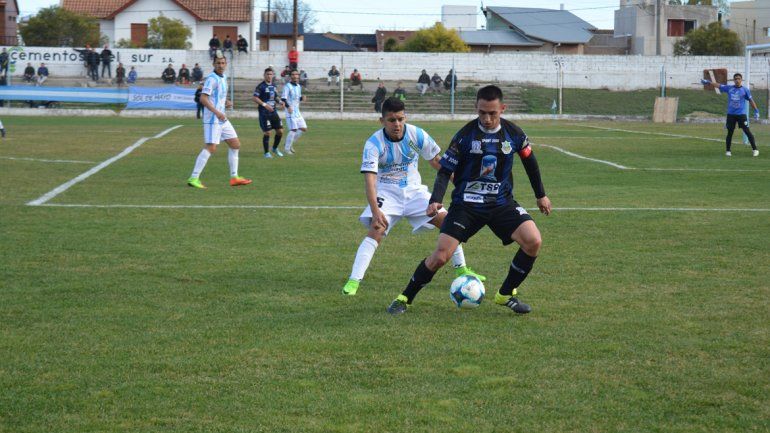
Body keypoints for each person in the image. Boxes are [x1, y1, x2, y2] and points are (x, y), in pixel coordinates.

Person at [386, 85, 552, 316]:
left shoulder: (514, 134)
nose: (486, 118)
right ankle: (404, 298)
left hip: (501, 203)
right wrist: (435, 199)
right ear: (476, 108)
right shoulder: (465, 136)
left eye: (492, 113)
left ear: (502, 109)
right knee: (441, 256)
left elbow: (530, 162)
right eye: (482, 112)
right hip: (467, 205)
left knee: (533, 241)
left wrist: (540, 194)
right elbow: (444, 171)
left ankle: (506, 294)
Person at [342, 97, 486, 296]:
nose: (397, 124)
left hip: (415, 193)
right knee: (377, 228)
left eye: (400, 119)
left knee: (448, 223)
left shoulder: (416, 135)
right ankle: (353, 280)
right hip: (387, 193)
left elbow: (437, 161)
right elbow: (370, 180)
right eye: (392, 120)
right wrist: (376, 211)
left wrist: (459, 184)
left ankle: (461, 268)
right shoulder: (374, 143)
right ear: (382, 121)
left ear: (405, 117)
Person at [187, 52, 252, 189]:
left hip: (221, 118)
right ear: (213, 64)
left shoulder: (223, 78)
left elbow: (217, 97)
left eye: (223, 63)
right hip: (213, 118)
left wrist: (225, 102)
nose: (221, 65)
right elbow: (203, 98)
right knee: (211, 147)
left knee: (235, 144)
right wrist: (217, 112)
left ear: (226, 64)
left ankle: (234, 177)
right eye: (218, 63)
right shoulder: (211, 79)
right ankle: (194, 177)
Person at [701, 73, 760, 157]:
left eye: (738, 78)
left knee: (747, 131)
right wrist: (709, 82)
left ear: (741, 80)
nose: (737, 80)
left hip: (741, 114)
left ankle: (755, 149)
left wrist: (756, 110)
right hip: (731, 115)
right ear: (733, 80)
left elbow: (751, 100)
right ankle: (728, 151)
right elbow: (719, 85)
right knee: (730, 132)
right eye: (735, 79)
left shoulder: (745, 90)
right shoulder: (729, 88)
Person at [253, 68, 285, 158]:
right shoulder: (261, 86)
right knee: (267, 133)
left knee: (280, 131)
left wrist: (280, 102)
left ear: (273, 75)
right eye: (267, 74)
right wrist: (264, 105)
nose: (269, 76)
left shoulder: (274, 86)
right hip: (264, 113)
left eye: (271, 74)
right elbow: (255, 98)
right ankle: (266, 153)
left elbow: (275, 97)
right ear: (264, 75)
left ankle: (274, 148)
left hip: (273, 112)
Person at [281, 69, 308, 155]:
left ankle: (289, 143)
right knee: (293, 129)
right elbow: (283, 99)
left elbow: (297, 99)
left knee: (303, 128)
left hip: (297, 111)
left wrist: (302, 98)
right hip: (290, 111)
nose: (295, 76)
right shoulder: (287, 86)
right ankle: (287, 149)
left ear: (298, 76)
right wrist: (288, 107)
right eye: (293, 74)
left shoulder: (299, 86)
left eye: (296, 74)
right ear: (290, 76)